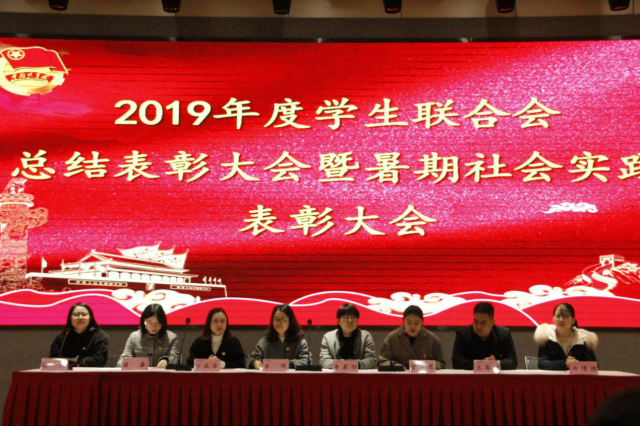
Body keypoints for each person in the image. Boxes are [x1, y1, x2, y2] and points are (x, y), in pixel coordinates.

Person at [452, 302, 517, 370]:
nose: (478, 326)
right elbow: (456, 363)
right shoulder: (463, 334)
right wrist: (481, 363)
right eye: (476, 322)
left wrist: (493, 363)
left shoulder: (504, 334)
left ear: (492, 322)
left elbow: (512, 362)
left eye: (483, 323)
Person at [534, 302, 598, 370]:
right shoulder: (546, 336)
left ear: (573, 320)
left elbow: (594, 365)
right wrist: (565, 364)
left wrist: (576, 365)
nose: (561, 319)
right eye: (558, 316)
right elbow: (542, 363)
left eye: (565, 316)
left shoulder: (583, 339)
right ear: (553, 319)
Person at [378, 305, 446, 369]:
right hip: (399, 376)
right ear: (403, 321)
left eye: (416, 323)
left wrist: (427, 365)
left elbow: (441, 363)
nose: (413, 326)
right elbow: (382, 362)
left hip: (424, 376)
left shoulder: (432, 339)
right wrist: (394, 365)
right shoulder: (392, 338)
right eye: (409, 322)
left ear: (422, 322)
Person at [248, 304, 310, 369]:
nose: (278, 323)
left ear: (290, 321)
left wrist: (289, 364)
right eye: (276, 319)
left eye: (282, 319)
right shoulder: (264, 342)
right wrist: (254, 363)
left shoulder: (300, 342)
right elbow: (249, 360)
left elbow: (306, 361)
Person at [118, 303, 180, 368]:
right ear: (143, 321)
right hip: (139, 373)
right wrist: (130, 363)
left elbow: (175, 358)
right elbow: (121, 361)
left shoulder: (171, 338)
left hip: (161, 374)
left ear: (163, 323)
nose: (153, 327)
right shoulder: (134, 337)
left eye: (157, 323)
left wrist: (167, 360)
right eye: (149, 322)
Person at [319, 303, 377, 369]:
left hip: (359, 374)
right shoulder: (328, 337)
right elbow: (323, 361)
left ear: (357, 320)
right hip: (335, 374)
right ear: (338, 321)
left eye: (353, 317)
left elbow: (371, 360)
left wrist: (354, 364)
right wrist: (340, 364)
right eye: (345, 317)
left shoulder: (365, 336)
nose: (350, 320)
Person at [49, 302, 108, 367]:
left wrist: (77, 362)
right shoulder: (64, 336)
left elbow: (99, 360)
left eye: (84, 314)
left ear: (90, 318)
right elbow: (54, 359)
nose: (80, 317)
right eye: (76, 314)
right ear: (70, 318)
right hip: (67, 372)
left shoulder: (98, 336)